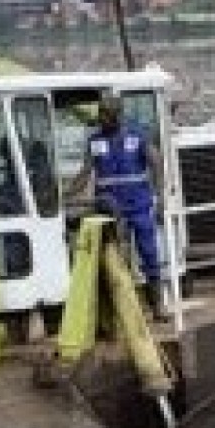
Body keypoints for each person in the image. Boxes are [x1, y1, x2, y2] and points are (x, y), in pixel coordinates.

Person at [71, 94, 168, 320]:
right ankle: (127, 311)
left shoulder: (137, 136)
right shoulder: (94, 142)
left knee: (150, 254)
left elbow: (156, 162)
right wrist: (65, 194)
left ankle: (157, 307)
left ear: (117, 116)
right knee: (117, 259)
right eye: (101, 113)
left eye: (106, 114)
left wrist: (160, 196)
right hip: (111, 208)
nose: (102, 119)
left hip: (140, 205)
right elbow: (85, 172)